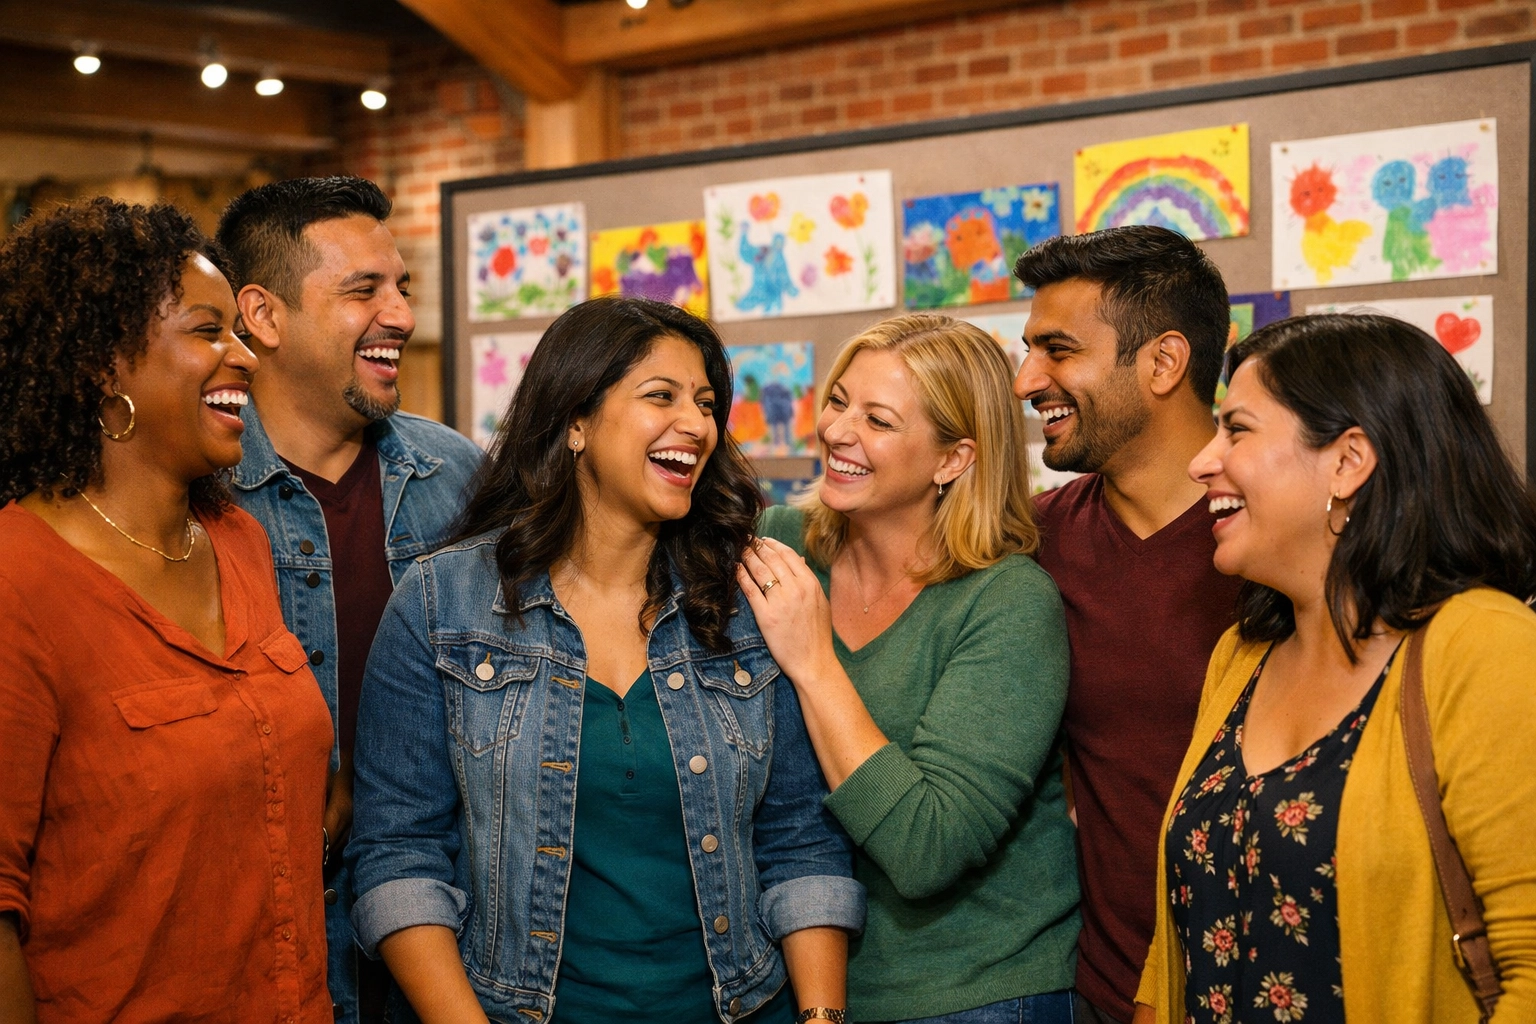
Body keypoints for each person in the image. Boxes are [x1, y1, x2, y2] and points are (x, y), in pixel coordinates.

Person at [346, 296, 864, 1024]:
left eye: (707, 403)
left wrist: (822, 1021)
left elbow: (800, 840)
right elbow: (400, 854)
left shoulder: (748, 602)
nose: (696, 424)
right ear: (577, 422)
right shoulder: (443, 604)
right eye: (662, 395)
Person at [1134, 314, 1536, 1023]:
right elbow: (1175, 958)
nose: (1202, 460)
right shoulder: (1240, 657)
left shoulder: (1483, 645)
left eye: (1238, 429)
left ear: (1348, 461)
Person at [0, 199, 332, 1022]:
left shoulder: (240, 542)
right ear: (101, 366)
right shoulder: (19, 578)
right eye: (206, 330)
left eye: (239, 332)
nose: (243, 357)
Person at [740, 313, 1079, 1023]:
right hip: (798, 987)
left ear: (953, 459)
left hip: (974, 992)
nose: (838, 432)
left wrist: (813, 660)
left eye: (879, 420)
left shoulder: (1008, 601)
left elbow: (928, 847)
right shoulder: (779, 545)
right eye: (837, 401)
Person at [216, 175, 483, 1024]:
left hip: (452, 955)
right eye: (363, 290)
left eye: (401, 286)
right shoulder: (198, 500)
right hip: (267, 964)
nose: (400, 314)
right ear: (262, 316)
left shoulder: (460, 478)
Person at [1011, 226, 1244, 1024]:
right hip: (1106, 991)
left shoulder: (1280, 542)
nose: (1025, 381)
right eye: (1027, 349)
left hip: (1283, 980)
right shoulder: (1036, 544)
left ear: (1163, 362)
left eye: (1057, 349)